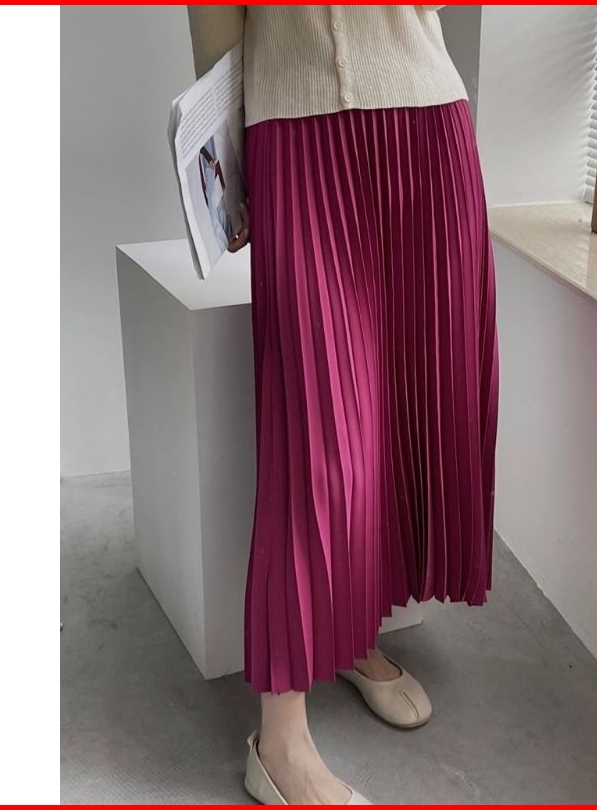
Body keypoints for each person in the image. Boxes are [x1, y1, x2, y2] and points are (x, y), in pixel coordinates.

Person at [186, 6, 499, 805]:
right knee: (318, 437)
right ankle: (279, 740)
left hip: (430, 120)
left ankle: (355, 631)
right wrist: (224, 153)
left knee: (402, 413)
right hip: (299, 132)